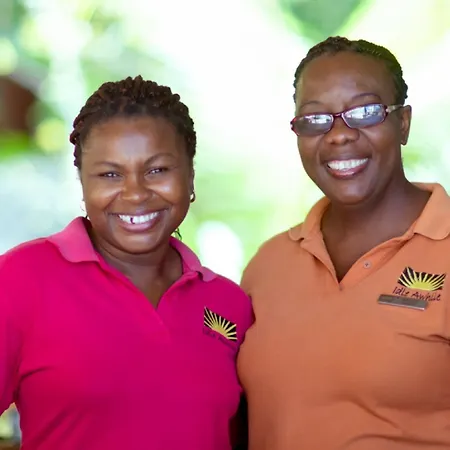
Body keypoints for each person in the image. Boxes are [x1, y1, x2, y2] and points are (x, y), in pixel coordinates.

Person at [0, 76, 253, 450]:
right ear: (83, 184)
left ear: (190, 175)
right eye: (110, 174)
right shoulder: (21, 279)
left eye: (157, 170)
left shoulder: (230, 304)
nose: (135, 193)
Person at [237, 36, 450, 450]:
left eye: (365, 112)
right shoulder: (269, 264)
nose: (338, 135)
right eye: (315, 119)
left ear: (403, 123)